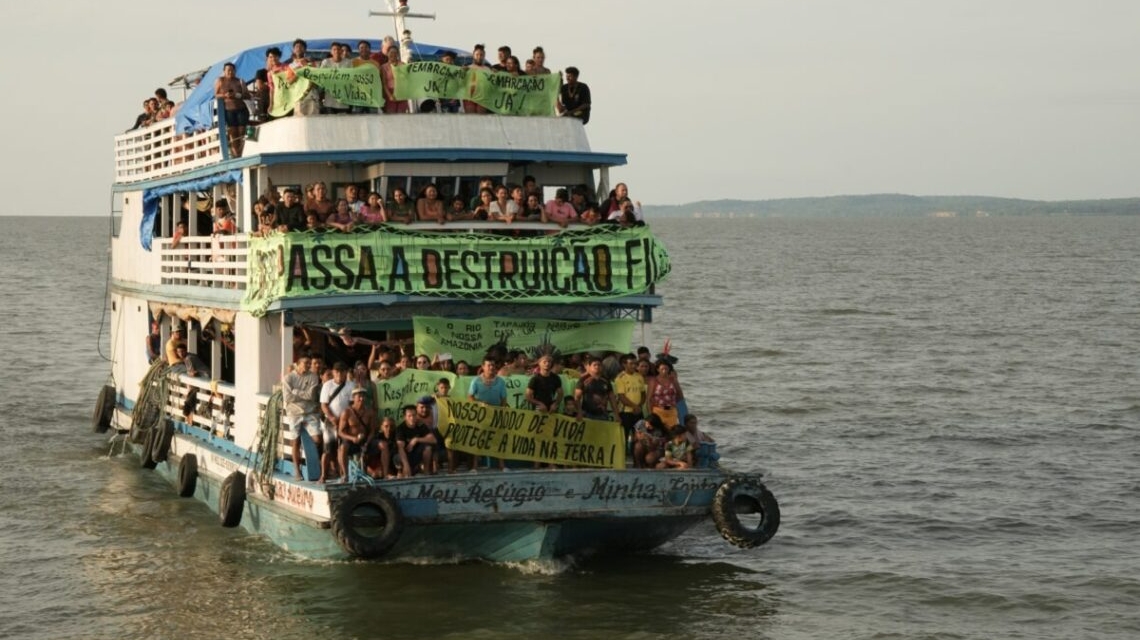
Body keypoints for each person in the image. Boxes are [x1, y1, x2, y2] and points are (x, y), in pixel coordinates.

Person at [282, 356, 322, 479]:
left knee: (318, 439)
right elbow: (287, 398)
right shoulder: (289, 378)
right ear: (298, 364)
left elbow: (311, 395)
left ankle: (317, 465)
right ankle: (297, 471)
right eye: (305, 363)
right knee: (295, 442)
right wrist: (302, 394)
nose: (308, 365)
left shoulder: (314, 377)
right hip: (294, 413)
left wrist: (295, 391)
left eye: (309, 363)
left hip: (309, 412)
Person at [468, 357, 508, 470]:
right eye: (489, 365)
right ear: (483, 367)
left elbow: (503, 399)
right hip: (480, 415)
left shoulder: (500, 381)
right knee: (478, 439)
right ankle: (474, 467)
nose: (491, 367)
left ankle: (502, 466)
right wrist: (480, 403)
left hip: (496, 414)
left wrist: (503, 411)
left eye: (493, 365)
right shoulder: (476, 381)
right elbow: (470, 397)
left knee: (498, 439)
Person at [319, 362, 356, 483]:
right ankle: (323, 476)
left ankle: (344, 475)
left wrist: (346, 420)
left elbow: (352, 405)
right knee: (328, 449)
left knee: (343, 447)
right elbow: (324, 405)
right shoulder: (327, 385)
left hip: (344, 422)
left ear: (346, 372)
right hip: (329, 422)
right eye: (337, 371)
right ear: (333, 372)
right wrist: (332, 418)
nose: (339, 374)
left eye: (342, 371)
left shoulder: (351, 385)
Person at [338, 387, 378, 480]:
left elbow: (372, 431)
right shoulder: (347, 412)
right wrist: (352, 438)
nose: (362, 399)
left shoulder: (369, 412)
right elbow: (340, 431)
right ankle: (345, 475)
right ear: (353, 398)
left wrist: (367, 443)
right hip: (351, 441)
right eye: (359, 396)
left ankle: (385, 473)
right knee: (342, 448)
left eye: (363, 396)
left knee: (383, 445)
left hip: (365, 440)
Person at [214, 62, 251, 157]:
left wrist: (237, 95)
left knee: (242, 131)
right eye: (228, 70)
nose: (230, 72)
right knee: (233, 132)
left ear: (235, 71)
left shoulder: (239, 81)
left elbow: (247, 95)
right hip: (229, 109)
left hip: (241, 108)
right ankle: (236, 154)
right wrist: (225, 95)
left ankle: (242, 152)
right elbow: (216, 95)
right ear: (224, 71)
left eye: (232, 70)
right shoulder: (220, 81)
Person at [614, 353, 647, 449]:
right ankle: (623, 457)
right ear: (624, 364)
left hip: (638, 411)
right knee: (624, 435)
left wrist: (639, 406)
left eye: (635, 364)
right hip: (626, 412)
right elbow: (622, 397)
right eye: (631, 364)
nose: (634, 366)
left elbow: (643, 394)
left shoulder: (639, 376)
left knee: (640, 436)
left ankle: (636, 457)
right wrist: (634, 406)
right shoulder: (620, 378)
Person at [396, 405, 436, 477]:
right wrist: (406, 465)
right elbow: (400, 448)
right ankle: (402, 472)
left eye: (414, 415)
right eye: (409, 416)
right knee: (398, 458)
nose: (412, 418)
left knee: (428, 448)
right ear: (405, 417)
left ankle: (425, 472)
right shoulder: (400, 429)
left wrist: (416, 440)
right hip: (405, 456)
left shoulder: (420, 425)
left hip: (417, 454)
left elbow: (433, 439)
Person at [575, 356, 619, 421]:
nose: (597, 367)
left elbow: (612, 399)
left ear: (602, 367)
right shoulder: (583, 380)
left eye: (599, 365)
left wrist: (617, 415)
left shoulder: (606, 381)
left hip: (602, 415)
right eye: (594, 365)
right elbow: (577, 397)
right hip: (587, 414)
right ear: (589, 367)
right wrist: (579, 412)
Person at [647, 360, 683, 428]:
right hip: (658, 411)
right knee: (659, 433)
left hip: (671, 411)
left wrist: (676, 407)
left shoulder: (673, 380)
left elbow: (680, 395)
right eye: (662, 369)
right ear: (658, 369)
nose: (664, 371)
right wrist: (650, 415)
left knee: (672, 433)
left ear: (669, 369)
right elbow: (649, 399)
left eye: (666, 369)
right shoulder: (654, 381)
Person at [320, 42, 352, 114]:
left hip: (344, 101)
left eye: (338, 49)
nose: (336, 51)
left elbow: (351, 78)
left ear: (341, 51)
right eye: (334, 49)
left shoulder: (348, 62)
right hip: (329, 101)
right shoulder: (325, 62)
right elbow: (321, 77)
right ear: (331, 52)